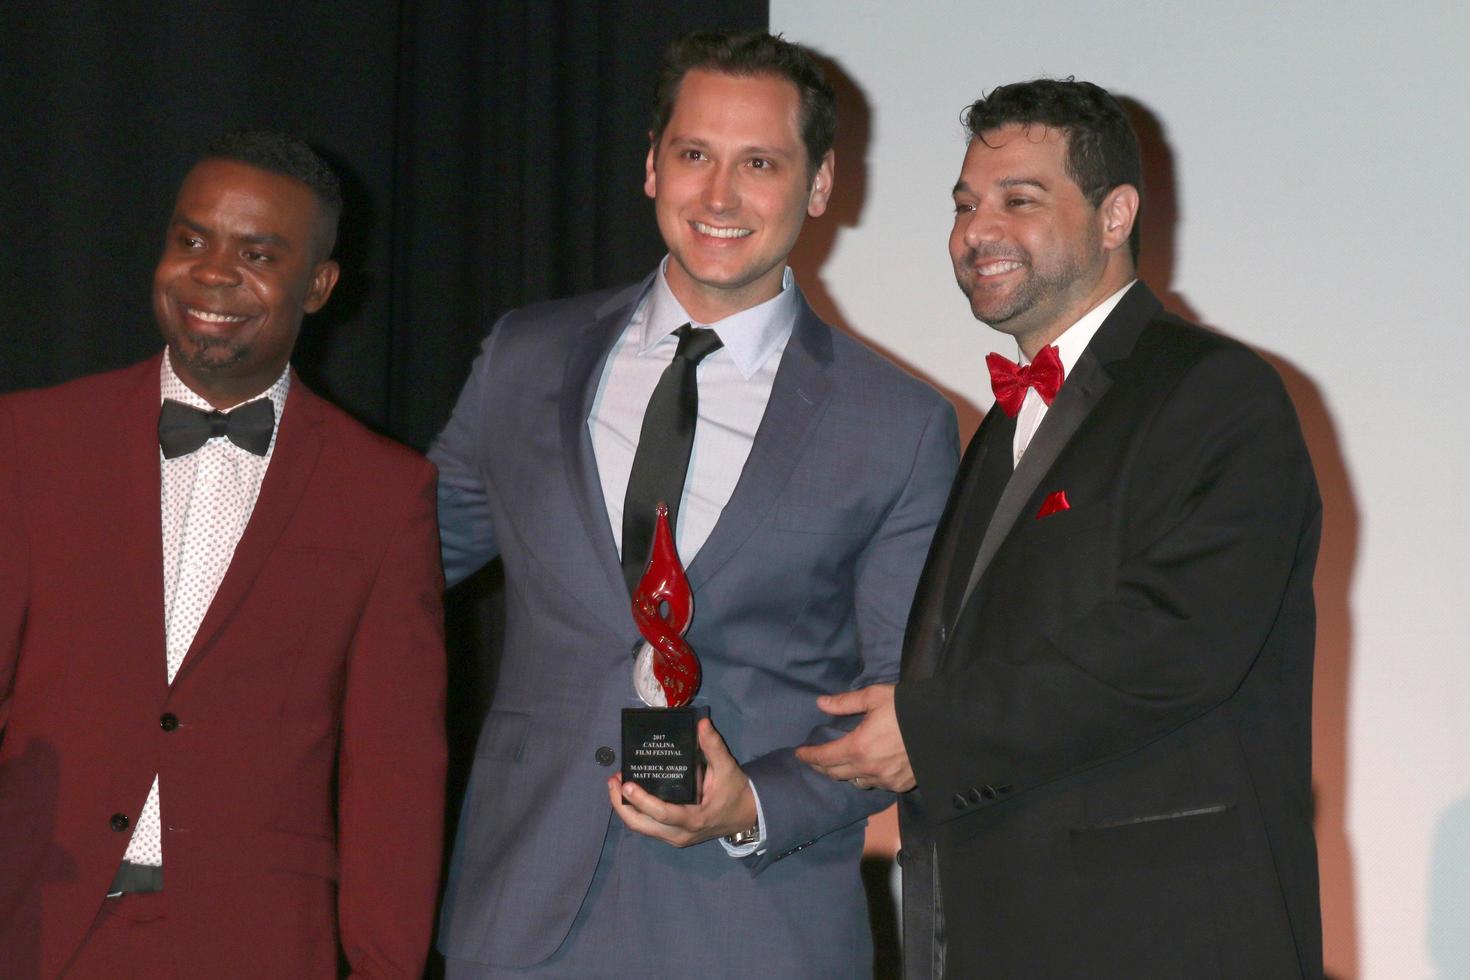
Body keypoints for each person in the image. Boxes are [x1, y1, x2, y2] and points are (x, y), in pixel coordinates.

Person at [431, 30, 958, 978]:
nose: (720, 197)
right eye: (695, 156)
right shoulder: (526, 356)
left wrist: (752, 805)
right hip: (523, 917)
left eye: (759, 163)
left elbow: (900, 707)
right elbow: (395, 561)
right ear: (651, 166)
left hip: (756, 927)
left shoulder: (900, 424)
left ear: (822, 185)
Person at [797, 78, 1323, 978]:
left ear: (1116, 215)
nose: (976, 230)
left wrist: (930, 728)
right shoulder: (1002, 427)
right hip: (1003, 929)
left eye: (1019, 200)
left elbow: (1174, 642)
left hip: (1160, 939)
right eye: (965, 203)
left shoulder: (1217, 394)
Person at [0, 131, 446, 979]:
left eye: (258, 252)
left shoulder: (385, 494)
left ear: (317, 286)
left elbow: (396, 776)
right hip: (36, 924)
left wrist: (385, 966)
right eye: (192, 239)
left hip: (259, 942)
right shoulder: (30, 440)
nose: (212, 272)